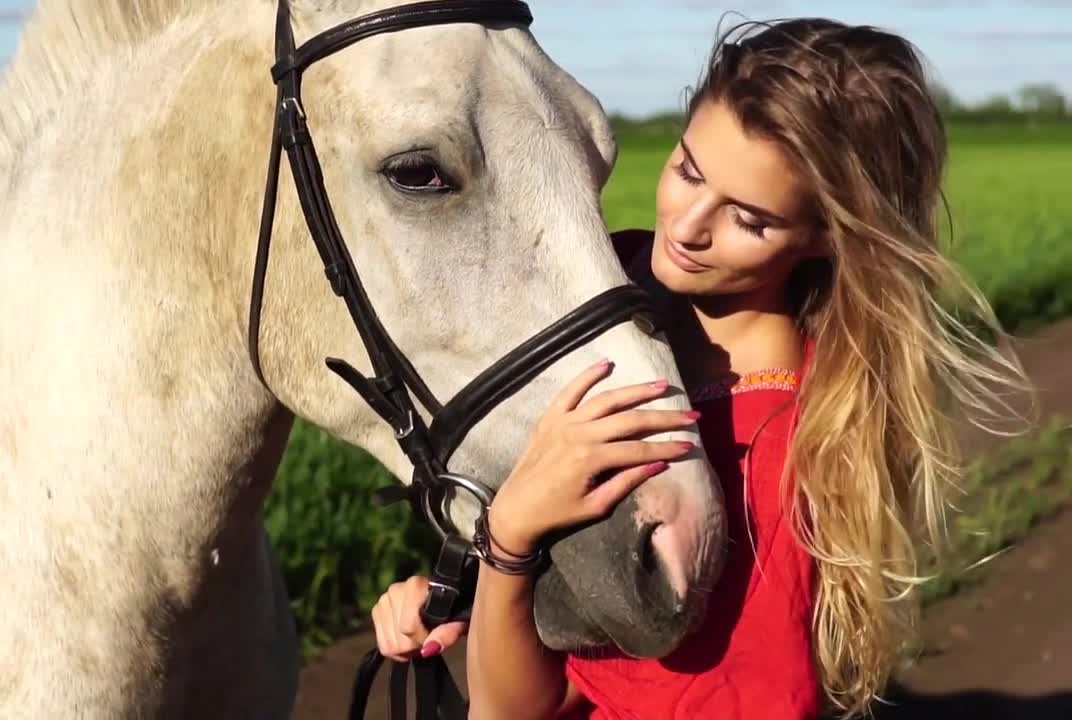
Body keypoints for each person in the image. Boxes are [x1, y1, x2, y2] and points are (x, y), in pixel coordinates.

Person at [367, 16, 1035, 720]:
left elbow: (521, 708)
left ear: (822, 239)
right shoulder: (611, 285)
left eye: (749, 220)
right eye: (687, 170)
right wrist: (460, 597)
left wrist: (509, 540)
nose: (686, 227)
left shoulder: (775, 462)